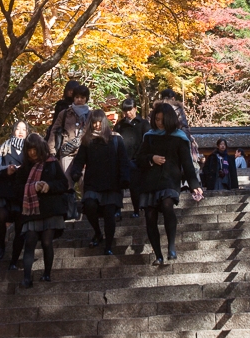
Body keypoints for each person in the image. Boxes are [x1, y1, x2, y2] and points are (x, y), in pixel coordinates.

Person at [135, 102, 203, 264]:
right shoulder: (149, 136)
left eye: (162, 119)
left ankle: (171, 246)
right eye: (157, 119)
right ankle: (158, 255)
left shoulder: (179, 137)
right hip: (150, 181)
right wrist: (151, 158)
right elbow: (138, 159)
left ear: (169, 119)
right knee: (150, 216)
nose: (159, 123)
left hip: (170, 180)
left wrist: (195, 185)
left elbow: (187, 163)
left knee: (167, 205)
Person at [11, 134, 69, 287]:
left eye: (34, 149)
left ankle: (47, 274)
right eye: (29, 150)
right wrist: (32, 187)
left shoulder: (52, 163)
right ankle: (26, 277)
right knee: (29, 240)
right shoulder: (24, 168)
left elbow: (63, 184)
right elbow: (16, 190)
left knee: (46, 241)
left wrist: (49, 186)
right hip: (31, 212)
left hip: (51, 209)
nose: (32, 153)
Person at [69, 110, 129, 255]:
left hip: (112, 184)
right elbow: (79, 160)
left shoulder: (116, 139)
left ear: (104, 122)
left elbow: (123, 160)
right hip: (93, 183)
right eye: (94, 122)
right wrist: (75, 172)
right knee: (89, 206)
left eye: (99, 122)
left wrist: (125, 178)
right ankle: (97, 232)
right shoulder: (87, 141)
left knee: (109, 214)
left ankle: (108, 245)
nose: (97, 125)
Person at [0, 121, 29, 261]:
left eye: (24, 129)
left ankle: (15, 257)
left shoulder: (30, 149)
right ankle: (1, 245)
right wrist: (6, 170)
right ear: (13, 131)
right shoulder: (2, 148)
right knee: (1, 216)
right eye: (18, 129)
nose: (21, 132)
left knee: (20, 222)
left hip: (22, 191)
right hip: (4, 190)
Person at [114, 97, 149, 218]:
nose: (128, 113)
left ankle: (137, 209)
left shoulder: (143, 124)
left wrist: (140, 156)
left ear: (135, 109)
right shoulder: (120, 125)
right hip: (122, 160)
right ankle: (117, 210)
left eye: (130, 110)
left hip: (137, 160)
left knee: (135, 187)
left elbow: (147, 141)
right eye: (125, 111)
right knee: (118, 186)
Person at [49, 84, 91, 182]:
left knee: (84, 182)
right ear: (73, 98)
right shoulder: (64, 113)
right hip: (66, 151)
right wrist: (51, 149)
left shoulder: (91, 115)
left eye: (82, 97)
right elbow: (54, 130)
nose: (79, 100)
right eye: (77, 97)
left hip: (84, 152)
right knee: (67, 182)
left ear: (86, 99)